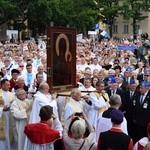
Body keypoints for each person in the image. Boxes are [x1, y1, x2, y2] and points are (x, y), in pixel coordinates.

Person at [0, 79, 15, 150]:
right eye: (7, 85)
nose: (9, 86)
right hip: (1, 116)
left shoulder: (11, 94)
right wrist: (2, 109)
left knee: (9, 132)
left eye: (9, 85)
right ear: (2, 85)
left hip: (9, 116)